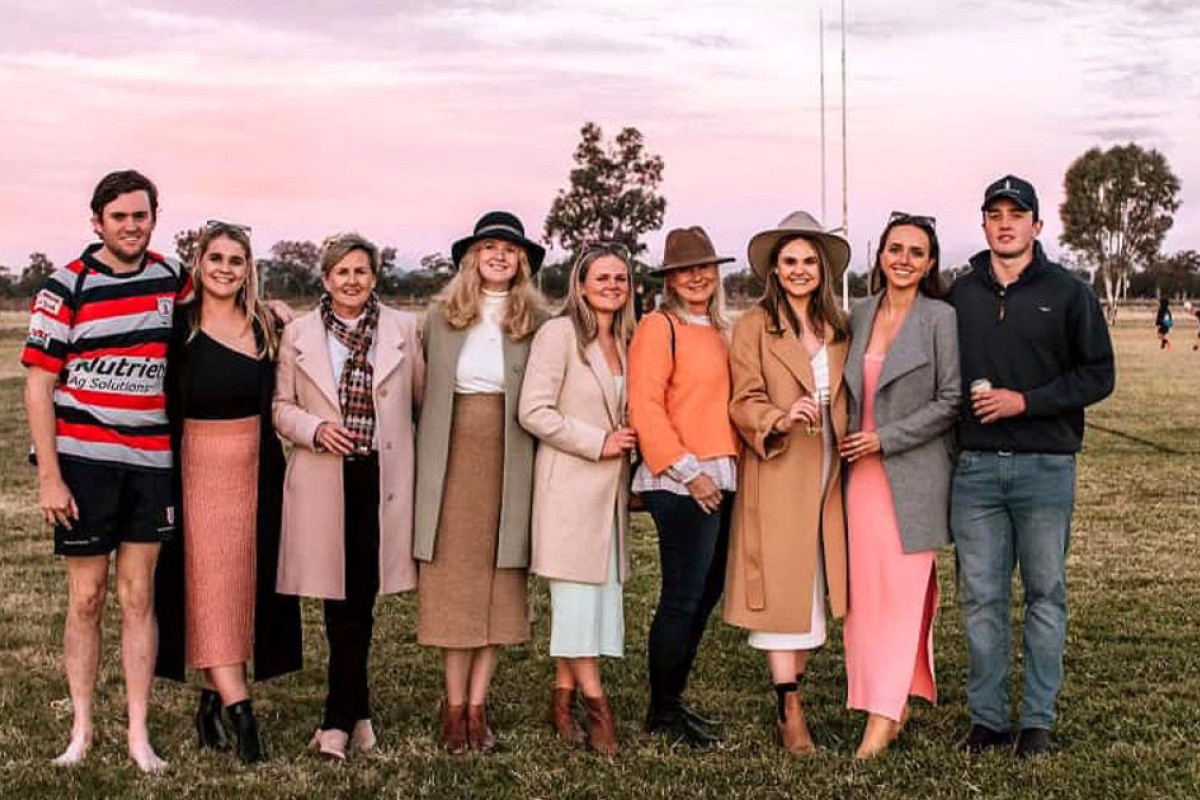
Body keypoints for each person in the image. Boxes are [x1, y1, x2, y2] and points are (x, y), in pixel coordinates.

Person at [22, 170, 191, 773]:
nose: (131, 226)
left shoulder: (172, 276)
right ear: (97, 221)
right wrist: (49, 476)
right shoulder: (65, 285)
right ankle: (82, 729)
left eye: (141, 215)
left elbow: (224, 304)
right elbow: (39, 386)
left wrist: (271, 307)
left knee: (138, 595)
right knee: (88, 597)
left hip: (150, 465)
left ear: (154, 217)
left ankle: (138, 735)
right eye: (119, 216)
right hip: (85, 466)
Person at [951, 175, 1114, 757]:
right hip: (974, 473)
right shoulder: (961, 293)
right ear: (985, 224)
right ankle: (988, 721)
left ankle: (1037, 722)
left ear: (1037, 226)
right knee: (981, 599)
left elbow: (1099, 374)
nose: (1005, 223)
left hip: (1046, 465)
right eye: (994, 213)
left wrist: (1027, 401)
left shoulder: (1069, 292)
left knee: (1045, 594)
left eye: (1016, 214)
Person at [153, 222, 302, 764]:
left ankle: (210, 702)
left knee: (243, 588)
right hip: (197, 467)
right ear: (199, 263)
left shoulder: (269, 325)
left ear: (248, 269)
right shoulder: (179, 327)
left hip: (257, 469)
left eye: (235, 260)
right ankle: (244, 716)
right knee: (210, 584)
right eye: (215, 257)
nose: (224, 268)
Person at [273, 233, 425, 760]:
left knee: (360, 598)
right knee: (336, 602)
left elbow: (420, 403)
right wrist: (314, 428)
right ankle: (349, 716)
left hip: (379, 477)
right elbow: (279, 406)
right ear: (325, 278)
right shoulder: (299, 333)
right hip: (323, 476)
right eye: (342, 272)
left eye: (361, 271)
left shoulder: (404, 329)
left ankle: (342, 718)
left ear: (375, 277)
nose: (352, 281)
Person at [413, 211, 547, 754]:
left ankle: (477, 706)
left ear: (521, 263)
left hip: (512, 456)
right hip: (451, 455)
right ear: (472, 257)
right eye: (489, 247)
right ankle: (452, 706)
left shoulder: (537, 321)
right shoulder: (440, 317)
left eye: (509, 250)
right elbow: (416, 390)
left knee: (499, 584)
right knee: (455, 583)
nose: (498, 256)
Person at [724, 211, 850, 755]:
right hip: (778, 467)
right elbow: (742, 399)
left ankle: (794, 693)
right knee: (781, 586)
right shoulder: (754, 326)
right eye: (790, 261)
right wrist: (778, 415)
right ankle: (789, 707)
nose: (800, 270)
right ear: (775, 269)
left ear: (822, 270)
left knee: (815, 584)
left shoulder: (841, 328)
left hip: (833, 471)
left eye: (809, 262)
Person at [839, 212, 961, 758]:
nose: (904, 259)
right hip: (857, 479)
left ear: (930, 262)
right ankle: (893, 698)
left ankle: (882, 717)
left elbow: (951, 400)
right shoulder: (858, 314)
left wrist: (884, 438)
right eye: (895, 248)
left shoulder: (941, 318)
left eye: (916, 251)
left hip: (912, 476)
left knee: (904, 594)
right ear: (880, 255)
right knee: (866, 598)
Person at [519, 243, 637, 756]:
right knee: (573, 604)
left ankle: (560, 700)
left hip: (609, 499)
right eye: (602, 277)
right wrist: (598, 442)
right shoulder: (558, 334)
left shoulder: (631, 340)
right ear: (581, 284)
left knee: (594, 603)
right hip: (569, 489)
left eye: (620, 278)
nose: (612, 285)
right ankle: (598, 707)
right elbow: (534, 411)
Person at [628, 226, 740, 748]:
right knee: (680, 597)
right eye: (685, 268)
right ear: (670, 278)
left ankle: (672, 702)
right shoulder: (658, 326)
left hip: (723, 473)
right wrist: (688, 472)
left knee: (704, 595)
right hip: (682, 479)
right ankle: (664, 712)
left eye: (705, 266)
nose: (697, 276)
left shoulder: (720, 330)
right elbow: (645, 406)